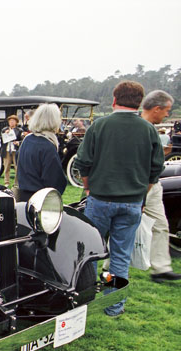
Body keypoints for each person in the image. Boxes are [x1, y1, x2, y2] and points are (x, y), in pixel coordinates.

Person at [75, 81, 164, 316]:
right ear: (140, 102)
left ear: (115, 100)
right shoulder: (149, 130)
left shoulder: (99, 126)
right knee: (121, 255)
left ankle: (86, 300)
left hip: (100, 198)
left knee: (90, 253)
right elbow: (156, 168)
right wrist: (141, 193)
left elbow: (83, 161)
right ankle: (114, 305)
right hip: (132, 201)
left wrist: (87, 188)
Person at [140, 90, 181, 283]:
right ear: (156, 109)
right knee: (124, 227)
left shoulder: (148, 129)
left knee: (161, 226)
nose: (167, 115)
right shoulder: (143, 129)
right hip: (142, 185)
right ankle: (110, 268)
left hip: (151, 185)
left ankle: (160, 267)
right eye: (166, 110)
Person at [16, 104, 67, 201]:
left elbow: (18, 160)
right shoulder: (47, 145)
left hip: (23, 195)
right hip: (40, 199)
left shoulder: (27, 139)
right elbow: (54, 179)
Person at [1, 115, 24, 187]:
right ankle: (6, 182)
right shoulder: (4, 129)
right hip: (7, 149)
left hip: (15, 150)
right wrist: (5, 133)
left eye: (13, 121)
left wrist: (18, 143)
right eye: (10, 121)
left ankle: (16, 183)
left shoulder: (19, 130)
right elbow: (1, 139)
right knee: (6, 166)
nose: (11, 122)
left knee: (16, 167)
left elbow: (22, 140)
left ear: (16, 122)